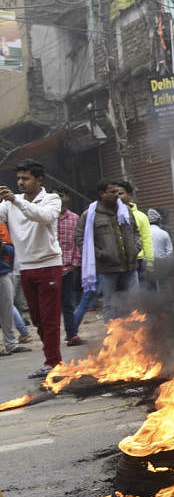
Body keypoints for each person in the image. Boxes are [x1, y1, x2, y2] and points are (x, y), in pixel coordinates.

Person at [0, 160, 63, 378]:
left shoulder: (51, 199)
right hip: (25, 268)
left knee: (49, 319)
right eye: (18, 178)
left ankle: (54, 363)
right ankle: (52, 360)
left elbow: (43, 217)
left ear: (39, 179)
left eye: (25, 178)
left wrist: (16, 203)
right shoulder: (11, 202)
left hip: (48, 266)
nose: (20, 183)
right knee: (37, 319)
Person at [75, 181, 142, 324]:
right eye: (112, 192)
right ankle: (112, 339)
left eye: (118, 192)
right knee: (110, 305)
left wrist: (136, 247)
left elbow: (136, 231)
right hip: (107, 269)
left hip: (130, 266)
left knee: (134, 303)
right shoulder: (90, 215)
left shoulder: (125, 210)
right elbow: (80, 239)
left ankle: (136, 336)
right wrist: (99, 254)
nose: (117, 195)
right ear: (102, 194)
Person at [54, 187, 83, 346]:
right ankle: (51, 340)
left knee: (68, 304)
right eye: (54, 195)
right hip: (49, 268)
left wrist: (74, 263)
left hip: (67, 268)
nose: (57, 198)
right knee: (51, 306)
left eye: (61, 195)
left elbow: (77, 243)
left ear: (67, 198)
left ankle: (72, 335)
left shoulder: (74, 218)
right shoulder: (45, 217)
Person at [115, 181, 153, 284]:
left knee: (138, 292)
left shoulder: (141, 216)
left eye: (121, 193)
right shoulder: (111, 215)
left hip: (138, 260)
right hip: (117, 262)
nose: (117, 197)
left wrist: (149, 262)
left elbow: (146, 239)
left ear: (130, 195)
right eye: (115, 194)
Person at [0, 222, 27, 357]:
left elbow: (11, 249)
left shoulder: (0, 225)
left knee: (7, 309)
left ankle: (11, 344)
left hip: (2, 272)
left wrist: (2, 247)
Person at [146, 209, 173, 289]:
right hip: (161, 263)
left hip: (147, 263)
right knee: (162, 286)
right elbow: (170, 252)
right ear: (159, 222)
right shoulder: (164, 233)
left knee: (149, 287)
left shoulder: (143, 234)